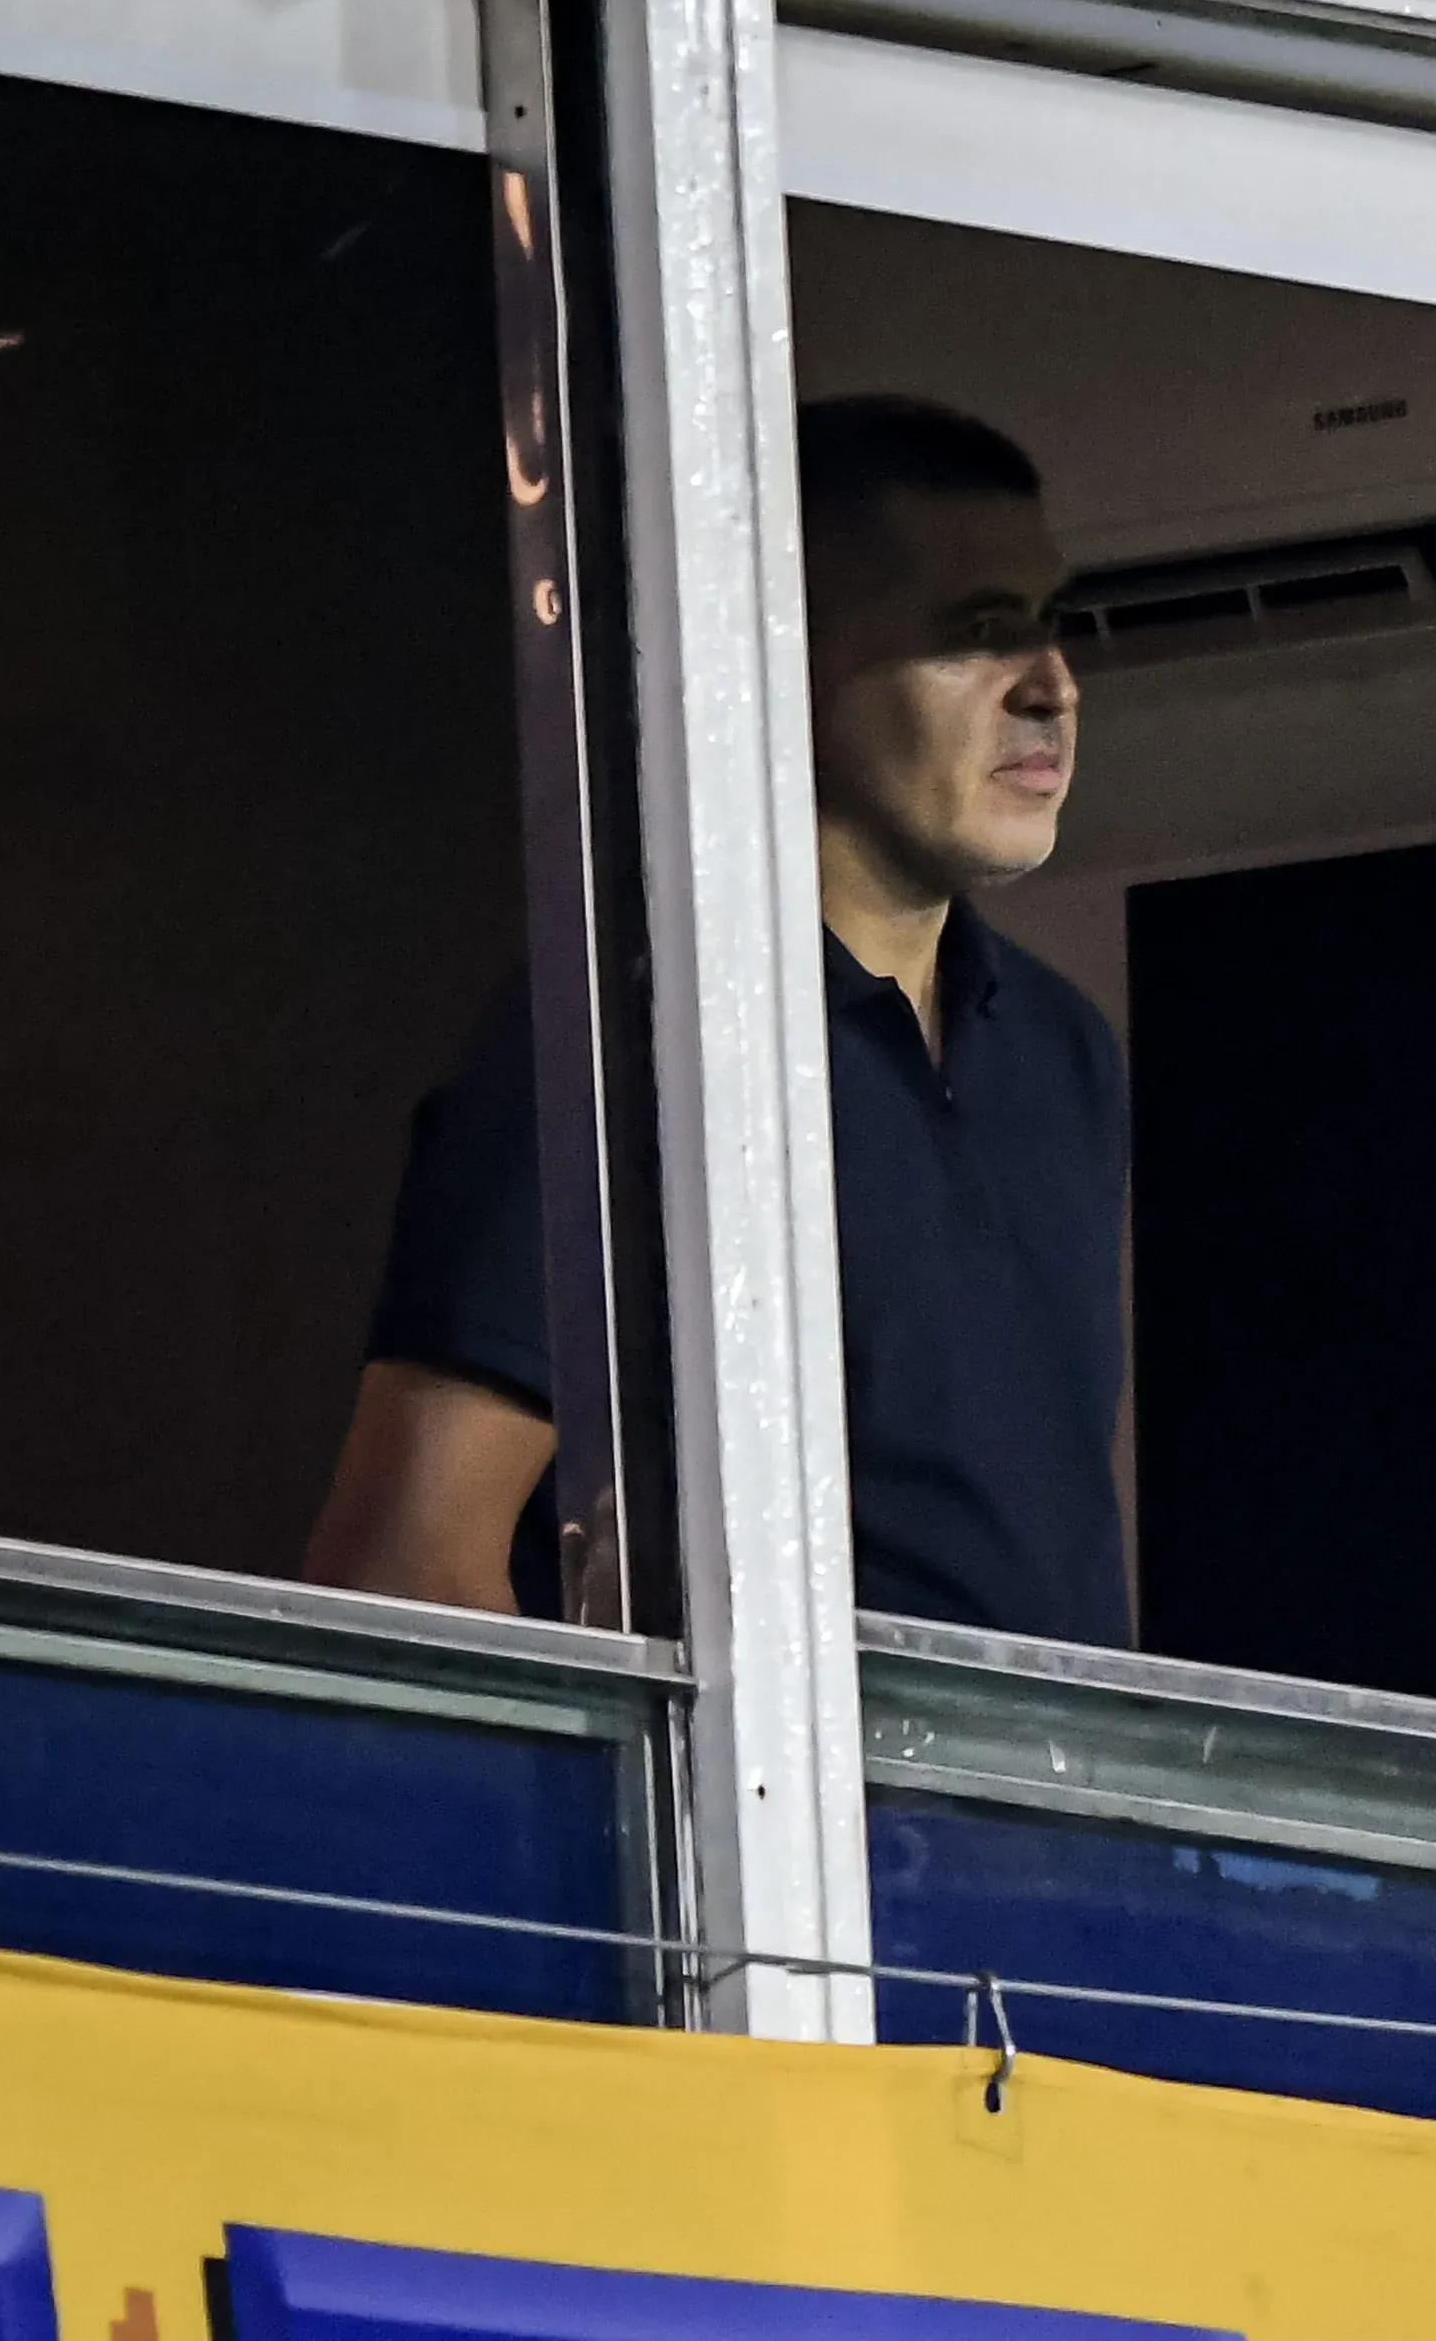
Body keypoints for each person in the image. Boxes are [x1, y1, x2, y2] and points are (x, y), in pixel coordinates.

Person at [303, 397, 1130, 1642]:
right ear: (783, 661)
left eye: (1048, 620)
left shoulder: (1062, 1052)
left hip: (1046, 1836)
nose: (1052, 684)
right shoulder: (631, 1041)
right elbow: (403, 1565)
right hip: (762, 1832)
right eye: (977, 632)